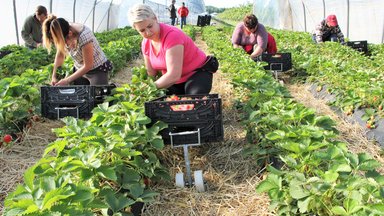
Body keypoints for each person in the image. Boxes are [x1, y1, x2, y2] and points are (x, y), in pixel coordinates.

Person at [127, 4, 216, 95]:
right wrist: (145, 89)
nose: (148, 32)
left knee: (194, 98)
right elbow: (151, 73)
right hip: (174, 81)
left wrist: (149, 89)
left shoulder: (172, 36)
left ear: (155, 18)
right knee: (162, 102)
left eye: (150, 26)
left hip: (196, 73)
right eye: (142, 30)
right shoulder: (146, 43)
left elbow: (174, 75)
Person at [42, 15, 112, 86]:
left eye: (65, 42)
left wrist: (67, 80)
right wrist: (54, 76)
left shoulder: (84, 35)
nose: (66, 45)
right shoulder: (62, 31)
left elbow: (88, 65)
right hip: (79, 69)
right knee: (80, 95)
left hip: (96, 69)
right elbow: (60, 54)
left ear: (70, 34)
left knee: (97, 95)